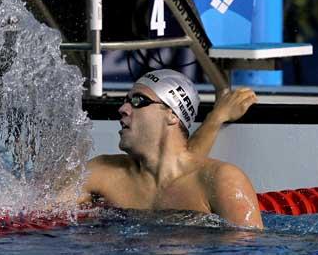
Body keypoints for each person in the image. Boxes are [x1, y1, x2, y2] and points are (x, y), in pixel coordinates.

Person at [75, 69, 263, 229]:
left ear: (172, 115)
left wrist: (217, 117)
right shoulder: (102, 171)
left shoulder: (224, 181)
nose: (123, 108)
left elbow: (248, 248)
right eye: (125, 100)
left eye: (139, 101)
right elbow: (48, 207)